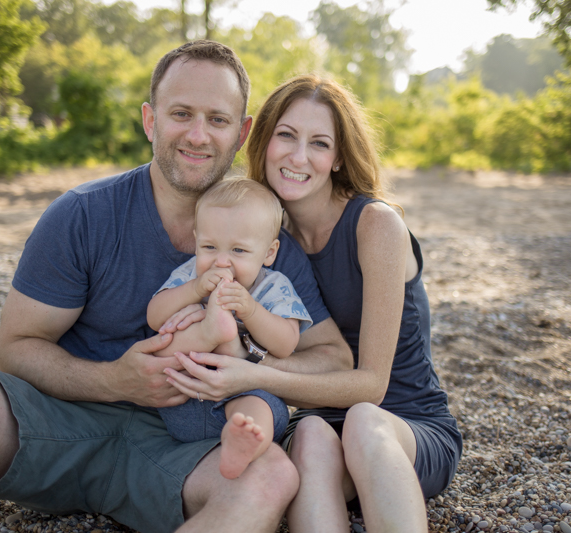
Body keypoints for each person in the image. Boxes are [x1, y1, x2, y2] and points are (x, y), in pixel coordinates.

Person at [0, 43, 353, 533]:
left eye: (218, 120)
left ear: (242, 132)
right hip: (65, 425)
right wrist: (114, 381)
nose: (198, 135)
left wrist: (246, 372)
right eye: (181, 113)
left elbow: (331, 358)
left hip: (189, 450)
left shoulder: (263, 239)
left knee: (271, 477)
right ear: (150, 120)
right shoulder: (82, 214)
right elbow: (14, 349)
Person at [160, 74, 462, 532]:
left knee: (362, 419)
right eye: (286, 135)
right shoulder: (263, 239)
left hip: (403, 427)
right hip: (322, 419)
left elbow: (372, 387)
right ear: (263, 142)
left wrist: (251, 374)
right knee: (310, 439)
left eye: (319, 143)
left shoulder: (375, 224)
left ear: (338, 157)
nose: (298, 157)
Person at [147, 178, 312, 480]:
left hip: (245, 393)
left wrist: (251, 310)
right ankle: (211, 331)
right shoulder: (189, 274)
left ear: (268, 253)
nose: (221, 261)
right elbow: (154, 317)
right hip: (186, 399)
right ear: (196, 240)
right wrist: (194, 290)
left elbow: (287, 344)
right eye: (209, 247)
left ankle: (243, 443)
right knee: (170, 334)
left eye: (238, 250)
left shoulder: (274, 286)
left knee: (258, 407)